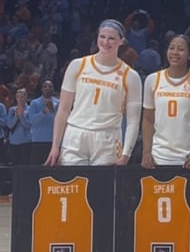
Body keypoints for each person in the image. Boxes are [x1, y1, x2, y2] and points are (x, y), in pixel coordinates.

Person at [45, 20, 142, 166]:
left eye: (111, 38)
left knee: (103, 188)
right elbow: (63, 109)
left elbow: (133, 121)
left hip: (108, 138)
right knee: (75, 186)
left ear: (121, 41)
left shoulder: (130, 76)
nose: (105, 42)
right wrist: (55, 146)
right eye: (102, 37)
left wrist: (126, 154)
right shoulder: (78, 65)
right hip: (75, 134)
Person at [141, 34, 190, 168]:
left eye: (180, 49)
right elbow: (148, 120)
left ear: (189, 55)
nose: (175, 52)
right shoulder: (152, 79)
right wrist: (146, 152)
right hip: (159, 157)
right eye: (172, 48)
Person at [28, 80, 59, 165]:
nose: (47, 88)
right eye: (45, 86)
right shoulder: (35, 103)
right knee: (37, 166)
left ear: (53, 89)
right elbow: (32, 121)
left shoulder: (58, 103)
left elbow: (60, 120)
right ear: (41, 89)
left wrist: (53, 111)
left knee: (53, 166)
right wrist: (43, 112)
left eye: (50, 86)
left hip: (53, 140)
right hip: (38, 140)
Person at [7, 88, 31, 166]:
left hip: (26, 141)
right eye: (18, 97)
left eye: (22, 96)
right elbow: (9, 125)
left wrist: (21, 116)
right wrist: (16, 116)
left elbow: (28, 125)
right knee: (15, 164)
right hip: (14, 141)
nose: (20, 99)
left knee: (25, 164)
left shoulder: (30, 109)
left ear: (26, 97)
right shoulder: (12, 110)